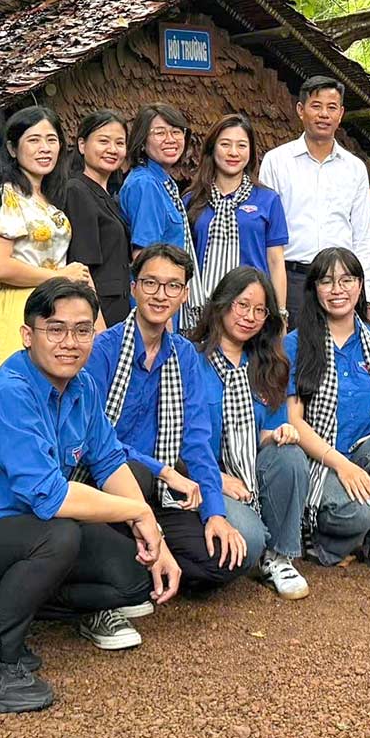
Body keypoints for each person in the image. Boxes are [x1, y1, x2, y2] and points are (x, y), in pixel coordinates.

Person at [0, 278, 179, 666]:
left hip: (33, 524)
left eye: (82, 330)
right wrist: (140, 513)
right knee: (60, 536)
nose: (70, 342)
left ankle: (21, 598)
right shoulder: (10, 393)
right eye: (55, 329)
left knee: (135, 575)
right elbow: (51, 496)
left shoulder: (83, 385)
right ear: (27, 335)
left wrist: (159, 546)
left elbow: (109, 461)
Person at [83, 243, 258, 596]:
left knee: (229, 558)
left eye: (173, 285)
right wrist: (162, 470)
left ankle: (143, 560)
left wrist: (214, 514)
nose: (161, 295)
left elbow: (196, 443)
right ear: (134, 287)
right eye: (151, 283)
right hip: (107, 486)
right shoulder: (103, 350)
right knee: (134, 471)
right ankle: (136, 561)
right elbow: (94, 440)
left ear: (185, 294)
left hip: (161, 494)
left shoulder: (185, 356)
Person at [282, 248, 370, 575]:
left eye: (346, 280)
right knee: (360, 512)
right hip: (318, 460)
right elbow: (294, 421)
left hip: (363, 453)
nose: (337, 290)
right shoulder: (295, 344)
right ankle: (327, 540)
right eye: (327, 281)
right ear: (315, 289)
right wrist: (341, 466)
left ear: (360, 286)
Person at [189, 267, 312, 600]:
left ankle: (279, 557)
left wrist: (279, 433)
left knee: (290, 456)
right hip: (202, 476)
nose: (250, 317)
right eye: (242, 305)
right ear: (222, 303)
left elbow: (262, 433)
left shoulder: (269, 364)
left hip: (250, 476)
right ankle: (255, 542)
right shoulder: (191, 360)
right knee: (250, 538)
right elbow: (173, 438)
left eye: (260, 310)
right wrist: (215, 478)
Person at [0, 107, 90, 381]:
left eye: (52, 140)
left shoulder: (47, 198)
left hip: (53, 306)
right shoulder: (7, 194)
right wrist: (60, 276)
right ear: (12, 148)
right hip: (17, 308)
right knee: (19, 389)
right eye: (34, 140)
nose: (45, 148)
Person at [259, 77, 370, 324]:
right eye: (316, 106)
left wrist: (364, 295)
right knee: (291, 347)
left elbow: (363, 237)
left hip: (342, 282)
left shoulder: (355, 168)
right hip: (291, 280)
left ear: (340, 114)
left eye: (331, 107)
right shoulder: (277, 161)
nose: (324, 114)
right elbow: (265, 232)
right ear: (300, 110)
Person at [188, 114, 290, 315]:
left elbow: (276, 262)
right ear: (212, 148)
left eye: (241, 145)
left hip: (252, 308)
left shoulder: (268, 200)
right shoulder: (192, 200)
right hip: (201, 309)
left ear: (250, 152)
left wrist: (280, 314)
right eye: (225, 144)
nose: (233, 152)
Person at [118, 103, 198, 327]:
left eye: (176, 131)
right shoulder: (146, 184)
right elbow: (145, 255)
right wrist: (162, 315)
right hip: (157, 303)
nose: (171, 139)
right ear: (143, 141)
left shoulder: (164, 182)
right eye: (160, 133)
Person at [62, 109, 134, 327]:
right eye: (103, 141)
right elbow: (82, 267)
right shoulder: (77, 190)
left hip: (118, 308)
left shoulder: (108, 195)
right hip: (100, 310)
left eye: (119, 143)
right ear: (82, 145)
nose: (112, 149)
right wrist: (96, 323)